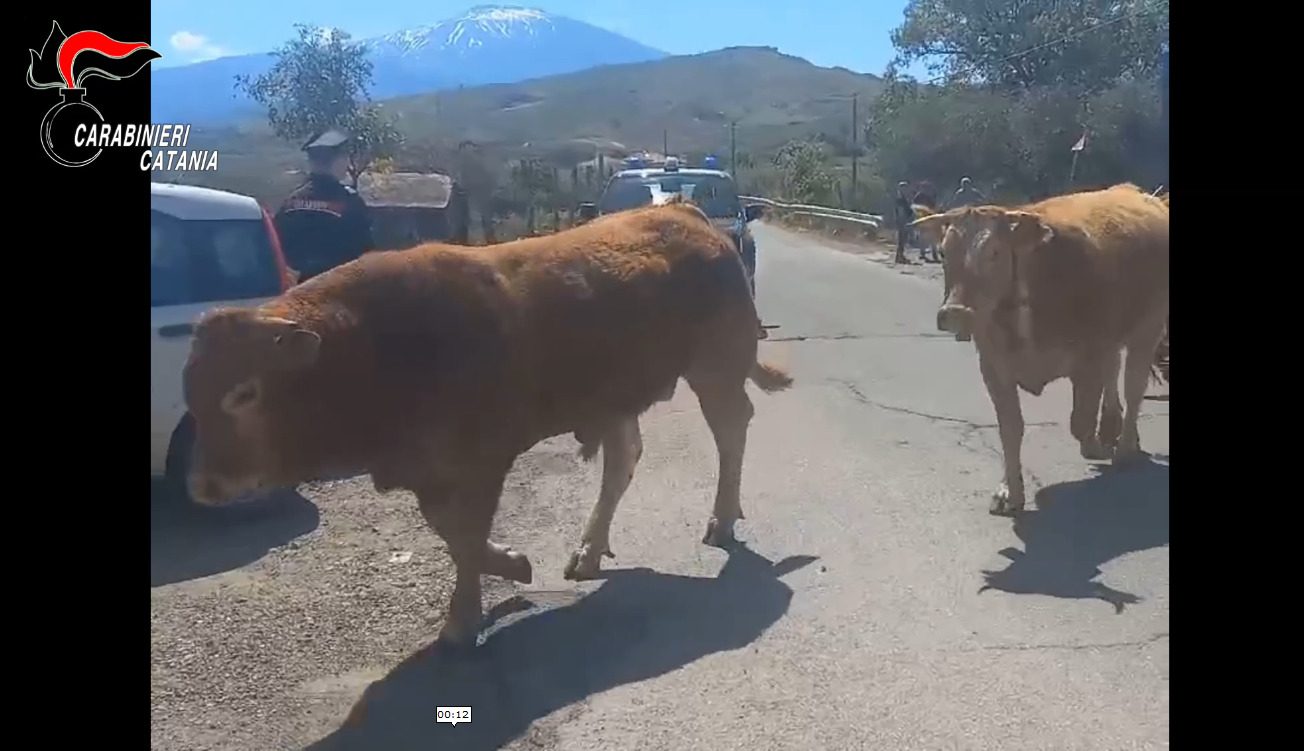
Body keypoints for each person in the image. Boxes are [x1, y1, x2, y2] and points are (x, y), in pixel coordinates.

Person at [274, 128, 375, 283]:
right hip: (337, 291)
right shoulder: (350, 203)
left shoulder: (290, 202)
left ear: (312, 162)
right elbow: (366, 255)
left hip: (296, 292)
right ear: (339, 161)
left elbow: (276, 249)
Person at [893, 181, 914, 264]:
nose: (906, 190)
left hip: (904, 221)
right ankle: (899, 256)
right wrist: (903, 223)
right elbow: (900, 212)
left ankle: (900, 256)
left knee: (903, 240)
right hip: (902, 221)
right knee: (901, 240)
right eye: (904, 188)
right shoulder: (900, 199)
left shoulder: (904, 199)